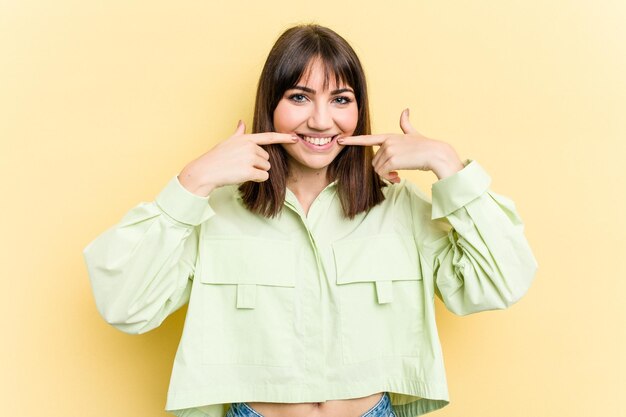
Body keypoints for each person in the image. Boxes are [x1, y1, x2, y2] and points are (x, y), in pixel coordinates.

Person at [83, 24, 538, 417]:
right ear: (271, 106)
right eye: (299, 97)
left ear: (359, 109)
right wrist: (193, 181)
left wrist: (448, 166)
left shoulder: (398, 205)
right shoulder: (213, 209)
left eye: (340, 99)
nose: (322, 121)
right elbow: (124, 304)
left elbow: (503, 280)